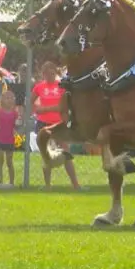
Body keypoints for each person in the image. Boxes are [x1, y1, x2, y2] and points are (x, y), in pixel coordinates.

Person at [33, 62, 81, 190]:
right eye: (47, 73)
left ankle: (75, 184)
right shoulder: (39, 87)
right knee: (46, 153)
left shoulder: (62, 86)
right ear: (43, 74)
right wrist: (39, 109)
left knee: (66, 152)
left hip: (59, 124)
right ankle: (47, 185)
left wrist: (46, 109)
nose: (50, 75)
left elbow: (63, 106)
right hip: (43, 124)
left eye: (52, 73)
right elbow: (31, 103)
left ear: (56, 72)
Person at [0, 90, 20, 188]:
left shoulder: (15, 113)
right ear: (2, 100)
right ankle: (0, 182)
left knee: (9, 161)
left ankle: (11, 183)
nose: (9, 100)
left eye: (11, 98)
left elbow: (17, 125)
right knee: (0, 160)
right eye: (7, 98)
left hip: (10, 140)